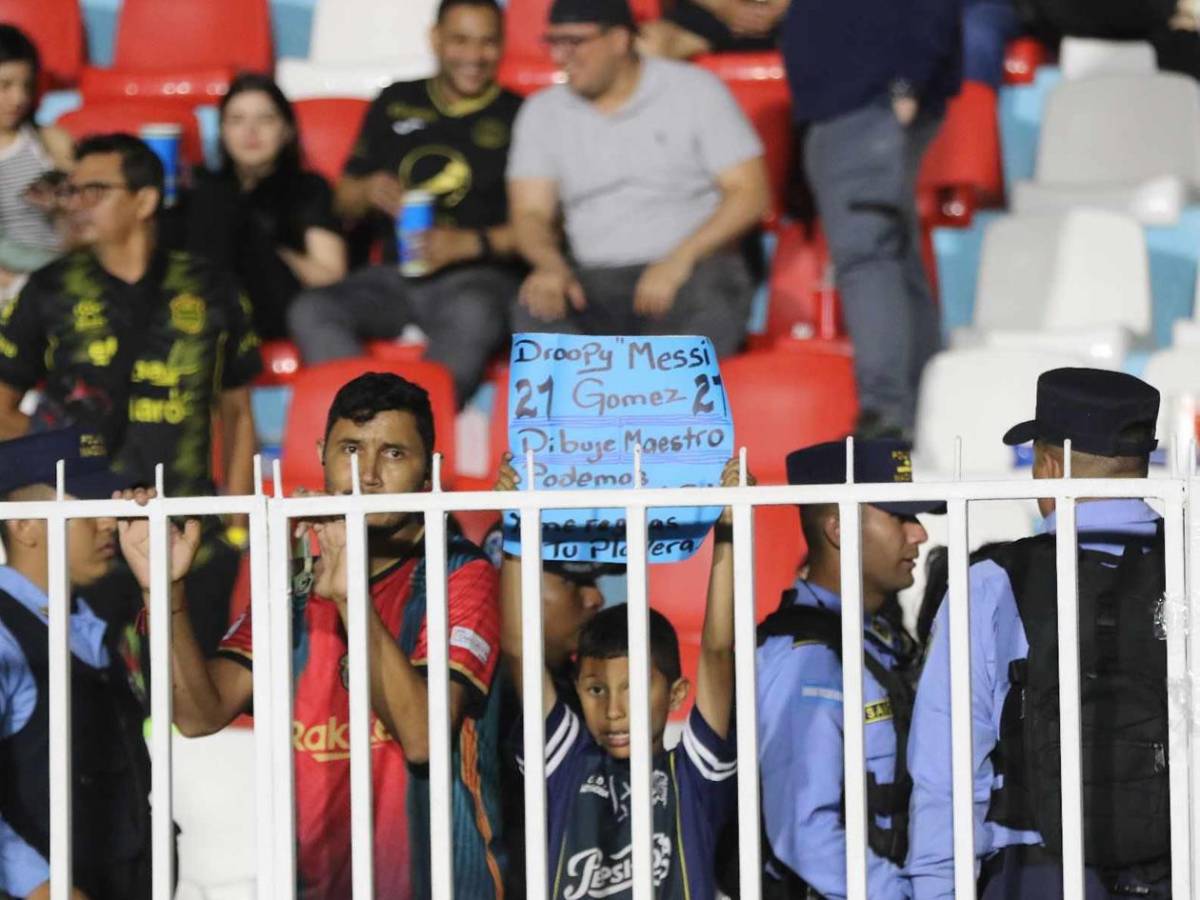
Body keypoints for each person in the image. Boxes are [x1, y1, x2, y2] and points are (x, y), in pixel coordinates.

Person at [149, 372, 504, 899]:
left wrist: (346, 596)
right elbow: (199, 715)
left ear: (430, 470)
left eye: (394, 454)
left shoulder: (459, 573)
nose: (369, 475)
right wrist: (166, 588)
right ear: (321, 454)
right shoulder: (292, 586)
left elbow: (424, 738)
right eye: (351, 450)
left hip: (439, 885)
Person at [908, 367, 1171, 899]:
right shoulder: (1188, 568)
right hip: (1180, 865)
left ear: (1049, 467)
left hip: (1037, 874)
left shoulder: (992, 584)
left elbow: (948, 777)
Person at [0, 133, 262, 655]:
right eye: (69, 191)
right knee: (90, 705)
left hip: (189, 539)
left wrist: (234, 529)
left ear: (144, 200)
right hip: (84, 541)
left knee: (187, 709)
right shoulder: (49, 288)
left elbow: (237, 413)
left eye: (94, 190)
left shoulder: (211, 286)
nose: (75, 204)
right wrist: (55, 466)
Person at [500, 456, 744, 899]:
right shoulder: (565, 764)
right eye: (596, 690)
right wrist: (516, 525)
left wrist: (729, 530)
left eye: (633, 688)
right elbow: (519, 649)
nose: (613, 710)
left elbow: (717, 652)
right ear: (576, 689)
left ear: (676, 694)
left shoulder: (693, 776)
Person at [288, 0, 523, 407]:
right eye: (460, 40)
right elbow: (343, 202)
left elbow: (540, 228)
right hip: (392, 277)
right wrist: (365, 192)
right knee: (311, 308)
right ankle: (368, 418)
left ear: (503, 46)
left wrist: (466, 245)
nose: (473, 56)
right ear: (435, 40)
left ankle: (416, 432)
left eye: (487, 43)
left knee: (475, 312)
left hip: (476, 280)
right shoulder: (395, 100)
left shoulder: (522, 115)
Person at [507, 0, 768, 357]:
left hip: (690, 270)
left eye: (575, 42)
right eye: (554, 42)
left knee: (712, 296)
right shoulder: (542, 112)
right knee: (535, 305)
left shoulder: (695, 91)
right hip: (594, 277)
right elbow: (530, 213)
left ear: (619, 40)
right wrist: (550, 267)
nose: (560, 56)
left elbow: (750, 193)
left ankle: (664, 408)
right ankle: (580, 411)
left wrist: (679, 260)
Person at [755, 439, 938, 899]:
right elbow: (804, 831)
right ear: (838, 529)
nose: (919, 534)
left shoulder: (881, 637)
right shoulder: (806, 655)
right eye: (900, 517)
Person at [779, 0, 961, 438]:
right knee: (893, 257)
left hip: (864, 99)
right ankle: (919, 412)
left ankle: (886, 416)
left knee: (868, 258)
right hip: (859, 97)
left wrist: (906, 84)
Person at [0, 428, 156, 900]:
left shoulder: (100, 621)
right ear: (25, 525)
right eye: (84, 506)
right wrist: (41, 886)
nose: (108, 522)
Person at [480, 498, 609, 899]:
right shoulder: (482, 691)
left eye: (595, 579)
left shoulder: (573, 680)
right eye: (572, 580)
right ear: (510, 582)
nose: (595, 598)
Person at [179, 72, 347, 341]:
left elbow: (329, 276)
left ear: (287, 130)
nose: (250, 132)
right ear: (222, 130)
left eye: (265, 119)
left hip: (276, 305)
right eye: (237, 120)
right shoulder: (203, 187)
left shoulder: (308, 188)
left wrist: (271, 246)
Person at [0, 25, 73, 293]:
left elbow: (81, 218)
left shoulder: (51, 142)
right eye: (4, 86)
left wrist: (63, 203)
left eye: (26, 85)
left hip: (60, 273)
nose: (18, 98)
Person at [639, 0, 787, 60]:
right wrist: (724, 6)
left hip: (793, 19)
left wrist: (777, 10)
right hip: (710, 14)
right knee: (646, 45)